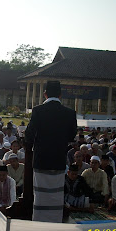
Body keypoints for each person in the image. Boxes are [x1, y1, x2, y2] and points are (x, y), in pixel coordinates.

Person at [25, 80, 77, 223]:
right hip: (58, 160)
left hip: (41, 160)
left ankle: (39, 223)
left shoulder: (38, 111)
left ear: (45, 94)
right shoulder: (70, 113)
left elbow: (29, 135)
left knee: (41, 196)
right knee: (56, 196)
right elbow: (72, 136)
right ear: (60, 95)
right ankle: (55, 223)